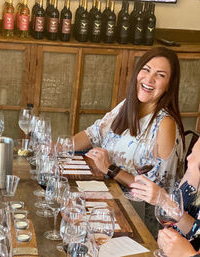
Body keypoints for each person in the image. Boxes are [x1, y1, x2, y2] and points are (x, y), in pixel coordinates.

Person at [74, 47, 184, 189]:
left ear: (169, 85)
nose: (149, 79)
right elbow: (94, 133)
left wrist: (109, 168)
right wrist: (57, 148)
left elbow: (157, 190)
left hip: (136, 206)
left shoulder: (165, 124)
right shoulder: (127, 104)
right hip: (108, 186)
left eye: (160, 75)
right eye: (146, 69)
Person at [131, 138, 200, 252]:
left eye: (195, 157)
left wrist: (164, 201)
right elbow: (177, 215)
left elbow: (196, 236)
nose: (188, 158)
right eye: (191, 152)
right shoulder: (192, 177)